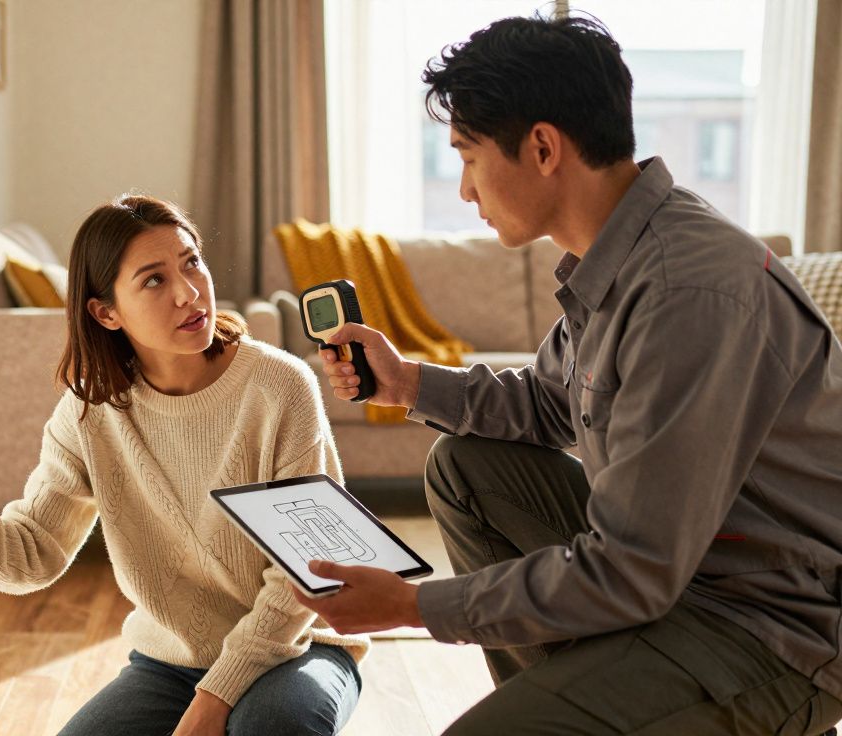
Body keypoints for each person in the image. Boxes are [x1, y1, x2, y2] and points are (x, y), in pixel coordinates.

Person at [294, 13, 842, 735]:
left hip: (769, 629)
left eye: (468, 155)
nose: (464, 189)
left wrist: (412, 606)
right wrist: (403, 383)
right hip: (686, 579)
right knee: (467, 468)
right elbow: (550, 402)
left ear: (544, 147)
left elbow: (633, 567)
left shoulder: (686, 292)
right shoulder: (621, 257)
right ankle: (593, 697)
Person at [0, 194, 366, 736]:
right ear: (105, 312)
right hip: (172, 664)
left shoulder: (280, 386)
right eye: (154, 280)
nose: (190, 293)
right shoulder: (91, 411)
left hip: (300, 645)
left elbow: (306, 572)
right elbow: (32, 556)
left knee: (267, 728)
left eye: (192, 262)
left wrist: (215, 697)